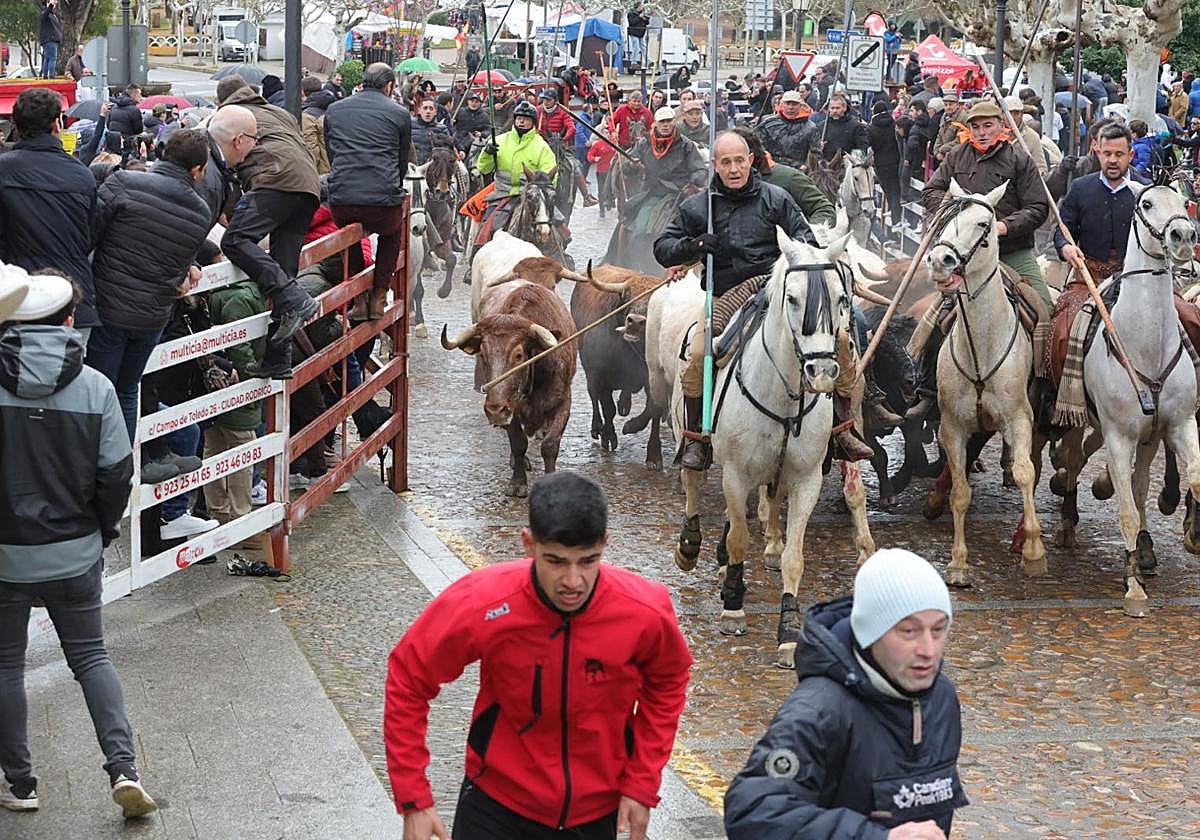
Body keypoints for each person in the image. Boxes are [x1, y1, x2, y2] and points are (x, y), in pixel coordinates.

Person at [385, 471, 692, 840]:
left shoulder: (644, 610)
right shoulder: (484, 601)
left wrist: (642, 781)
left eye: (588, 561)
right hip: (496, 807)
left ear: (605, 544)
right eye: (556, 561)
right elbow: (409, 675)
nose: (573, 581)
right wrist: (413, 797)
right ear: (529, 544)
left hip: (595, 814)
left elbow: (669, 680)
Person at [0, 273, 159, 820]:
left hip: (6, 554)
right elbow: (117, 473)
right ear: (70, 320)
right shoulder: (96, 387)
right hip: (74, 549)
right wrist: (101, 529)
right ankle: (124, 769)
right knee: (91, 658)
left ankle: (21, 784)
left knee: (6, 665)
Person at [654, 131, 871, 468]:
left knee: (840, 340)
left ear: (750, 160)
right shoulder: (699, 206)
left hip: (775, 290)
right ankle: (696, 436)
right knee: (698, 355)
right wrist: (694, 245)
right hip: (725, 293)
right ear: (715, 165)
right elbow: (662, 248)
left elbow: (806, 241)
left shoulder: (776, 198)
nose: (734, 169)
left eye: (739, 161)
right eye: (726, 162)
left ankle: (842, 427)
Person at [724, 549, 966, 839]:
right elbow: (753, 812)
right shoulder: (819, 710)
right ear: (871, 632)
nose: (928, 650)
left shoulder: (941, 698)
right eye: (908, 631)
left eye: (938, 630)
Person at [85, 130, 213, 442]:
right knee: (128, 390)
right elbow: (181, 262)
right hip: (152, 317)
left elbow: (88, 234)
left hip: (108, 306)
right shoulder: (200, 212)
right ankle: (120, 462)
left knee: (97, 392)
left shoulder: (124, 182)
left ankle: (91, 464)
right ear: (196, 169)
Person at [217, 76, 322, 379]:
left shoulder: (231, 119)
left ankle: (296, 298)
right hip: (308, 186)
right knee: (283, 268)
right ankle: (278, 360)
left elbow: (224, 167)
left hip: (274, 179)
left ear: (222, 102)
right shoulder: (278, 112)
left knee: (235, 241)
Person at [923, 99, 1050, 307]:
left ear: (1002, 125)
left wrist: (1003, 227)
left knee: (1043, 306)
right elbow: (930, 192)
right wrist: (958, 215)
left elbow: (1037, 208)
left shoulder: (1019, 159)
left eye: (988, 125)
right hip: (963, 251)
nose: (981, 133)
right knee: (931, 314)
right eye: (975, 127)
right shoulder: (956, 156)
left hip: (1011, 250)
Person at [0, 88, 100, 342]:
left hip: (17, 299)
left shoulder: (4, 170)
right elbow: (89, 237)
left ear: (16, 125)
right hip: (73, 297)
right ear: (57, 124)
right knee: (71, 367)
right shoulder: (82, 175)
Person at [324, 62, 413, 321]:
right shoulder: (399, 113)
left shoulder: (334, 109)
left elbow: (332, 153)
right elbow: (401, 161)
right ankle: (379, 295)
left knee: (349, 237)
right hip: (381, 201)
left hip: (342, 199)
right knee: (391, 232)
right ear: (389, 86)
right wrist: (391, 186)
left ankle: (359, 299)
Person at [475, 99, 558, 243]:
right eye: (519, 118)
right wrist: (487, 154)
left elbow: (550, 175)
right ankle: (477, 251)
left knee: (561, 228)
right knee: (486, 229)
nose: (521, 122)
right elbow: (484, 168)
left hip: (533, 197)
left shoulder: (542, 146)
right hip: (503, 194)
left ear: (533, 122)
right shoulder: (498, 141)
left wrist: (541, 191)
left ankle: (561, 253)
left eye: (526, 119)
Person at [736, 127, 836, 226]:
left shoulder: (789, 178)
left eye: (738, 159)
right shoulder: (727, 184)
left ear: (751, 157)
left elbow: (824, 209)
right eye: (727, 161)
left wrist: (809, 232)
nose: (733, 168)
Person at [867, 99, 904, 229]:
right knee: (895, 190)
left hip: (880, 163)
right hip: (895, 160)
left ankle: (894, 214)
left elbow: (869, 146)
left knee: (887, 188)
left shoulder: (871, 128)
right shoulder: (893, 124)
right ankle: (896, 217)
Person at [757, 90, 815, 168]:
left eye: (794, 104)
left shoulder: (810, 127)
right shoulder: (769, 124)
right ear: (782, 104)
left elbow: (815, 154)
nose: (790, 107)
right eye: (787, 103)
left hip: (799, 169)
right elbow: (758, 145)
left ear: (800, 105)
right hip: (771, 167)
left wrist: (806, 167)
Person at [821, 93, 870, 162]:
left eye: (838, 108)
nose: (835, 111)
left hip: (847, 164)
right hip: (826, 164)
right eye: (832, 108)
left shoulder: (855, 126)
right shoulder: (822, 126)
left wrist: (853, 159)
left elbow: (862, 147)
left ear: (844, 108)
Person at [300, 75, 333, 174]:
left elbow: (311, 148)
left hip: (321, 171)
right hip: (336, 166)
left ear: (303, 91)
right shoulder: (332, 106)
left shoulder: (307, 116)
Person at [410, 97, 451, 165]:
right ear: (419, 110)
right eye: (425, 108)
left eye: (431, 108)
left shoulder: (442, 129)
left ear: (435, 112)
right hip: (413, 167)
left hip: (434, 167)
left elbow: (448, 149)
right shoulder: (409, 126)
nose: (428, 111)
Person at [107, 83, 145, 156]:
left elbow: (109, 125)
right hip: (127, 144)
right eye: (139, 94)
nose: (141, 96)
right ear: (133, 94)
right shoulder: (134, 110)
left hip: (113, 142)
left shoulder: (114, 107)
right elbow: (138, 130)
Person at [38, 0, 60, 78]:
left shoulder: (52, 15)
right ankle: (51, 75)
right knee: (53, 58)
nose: (54, 6)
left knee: (48, 58)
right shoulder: (45, 13)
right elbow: (47, 12)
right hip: (50, 39)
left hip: (51, 39)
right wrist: (51, 4)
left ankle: (45, 75)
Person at [626, 2, 648, 69]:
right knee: (636, 47)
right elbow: (631, 22)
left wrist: (644, 19)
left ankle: (648, 61)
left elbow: (647, 22)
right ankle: (634, 62)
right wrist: (639, 17)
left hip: (641, 33)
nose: (642, 8)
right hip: (634, 33)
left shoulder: (642, 13)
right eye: (641, 6)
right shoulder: (631, 13)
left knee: (644, 47)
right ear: (637, 7)